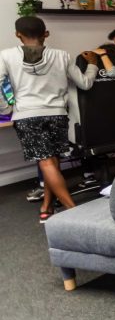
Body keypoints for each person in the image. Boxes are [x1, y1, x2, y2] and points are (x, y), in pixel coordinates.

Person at [0, 16, 98, 222]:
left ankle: (73, 211)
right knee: (51, 161)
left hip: (27, 116)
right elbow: (85, 84)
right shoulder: (62, 55)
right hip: (57, 114)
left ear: (18, 34)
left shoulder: (6, 56)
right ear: (46, 33)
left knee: (46, 162)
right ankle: (47, 205)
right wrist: (92, 65)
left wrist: (7, 108)